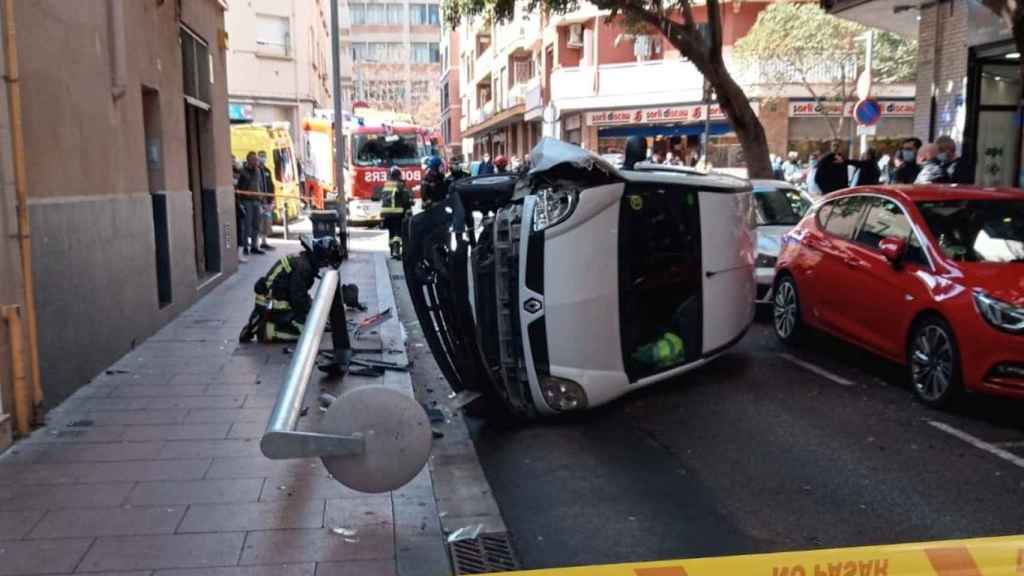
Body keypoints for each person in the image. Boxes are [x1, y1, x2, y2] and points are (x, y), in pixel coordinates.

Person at [239, 236, 343, 343]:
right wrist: (316, 317)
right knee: (308, 332)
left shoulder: (304, 259)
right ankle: (268, 331)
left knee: (309, 312)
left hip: (269, 299)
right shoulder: (304, 267)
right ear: (320, 257)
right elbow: (298, 299)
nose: (325, 266)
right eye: (326, 263)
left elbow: (298, 292)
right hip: (272, 304)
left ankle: (259, 320)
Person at [236, 151, 267, 255]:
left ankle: (254, 246)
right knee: (247, 225)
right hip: (247, 202)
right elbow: (239, 188)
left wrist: (262, 198)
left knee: (256, 225)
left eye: (256, 159)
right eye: (254, 159)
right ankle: (245, 247)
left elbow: (261, 185)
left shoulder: (258, 171)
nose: (256, 161)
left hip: (257, 201)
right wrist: (243, 197)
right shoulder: (243, 172)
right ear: (249, 160)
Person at [381, 166, 413, 258]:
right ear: (398, 175)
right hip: (397, 213)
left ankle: (391, 250)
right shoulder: (400, 185)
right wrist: (410, 205)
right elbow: (405, 199)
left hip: (386, 213)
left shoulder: (386, 185)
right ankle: (396, 250)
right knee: (397, 232)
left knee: (391, 232)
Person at [257, 151, 276, 252]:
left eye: (264, 156)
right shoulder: (256, 170)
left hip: (268, 201)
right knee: (259, 222)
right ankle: (256, 244)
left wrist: (272, 199)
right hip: (259, 201)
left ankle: (264, 242)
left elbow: (271, 185)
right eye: (261, 156)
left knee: (267, 222)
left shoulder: (267, 170)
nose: (263, 158)